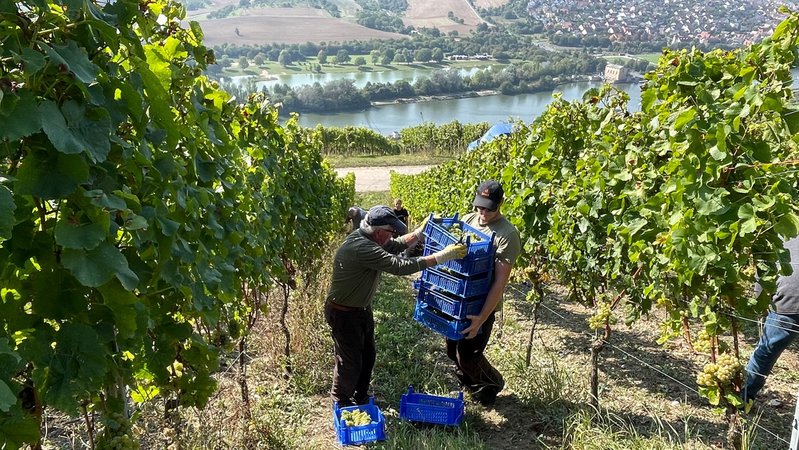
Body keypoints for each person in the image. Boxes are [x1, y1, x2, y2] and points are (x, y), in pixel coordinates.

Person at [325, 205, 467, 407]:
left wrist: (419, 232)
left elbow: (396, 245)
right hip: (343, 314)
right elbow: (399, 266)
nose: (392, 236)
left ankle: (360, 395)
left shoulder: (371, 237)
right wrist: (442, 256)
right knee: (349, 361)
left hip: (360, 310)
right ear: (380, 231)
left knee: (367, 356)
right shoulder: (361, 247)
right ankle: (341, 400)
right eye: (390, 232)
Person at [448, 180, 521, 406]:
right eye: (480, 206)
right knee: (452, 350)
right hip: (459, 297)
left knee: (468, 355)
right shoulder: (470, 220)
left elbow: (499, 282)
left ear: (500, 204)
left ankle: (492, 385)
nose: (483, 212)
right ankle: (470, 384)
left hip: (480, 304)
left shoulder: (507, 234)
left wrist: (481, 318)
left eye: (489, 208)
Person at [743, 236, 799, 403]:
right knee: (767, 351)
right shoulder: (780, 232)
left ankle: (745, 395)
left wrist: (761, 301)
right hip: (789, 300)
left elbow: (764, 271)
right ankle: (745, 394)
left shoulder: (779, 232)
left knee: (767, 351)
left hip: (787, 300)